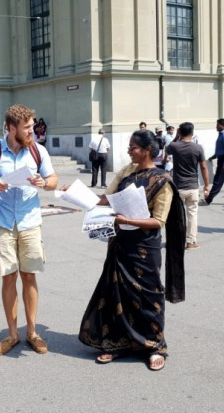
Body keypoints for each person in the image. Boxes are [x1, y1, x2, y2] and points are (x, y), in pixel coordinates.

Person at [74, 129, 186, 371]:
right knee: (116, 294)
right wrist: (74, 195)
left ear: (147, 151)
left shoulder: (162, 181)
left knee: (147, 296)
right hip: (120, 243)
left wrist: (128, 220)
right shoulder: (126, 171)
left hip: (144, 248)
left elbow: (159, 221)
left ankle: (154, 346)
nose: (129, 151)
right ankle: (117, 343)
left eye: (133, 147)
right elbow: (106, 199)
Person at [0, 104, 58, 356]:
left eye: (32, 126)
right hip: (4, 222)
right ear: (10, 127)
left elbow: (53, 180)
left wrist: (44, 182)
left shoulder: (38, 151)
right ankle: (12, 334)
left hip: (30, 221)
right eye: (27, 127)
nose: (32, 131)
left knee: (29, 276)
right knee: (8, 277)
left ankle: (32, 332)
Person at [167, 122, 210, 249]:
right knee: (192, 214)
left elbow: (166, 150)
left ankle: (176, 241)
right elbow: (203, 167)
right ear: (192, 133)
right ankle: (191, 241)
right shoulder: (198, 148)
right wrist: (206, 185)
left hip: (178, 187)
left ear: (180, 132)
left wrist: (176, 136)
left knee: (176, 215)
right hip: (192, 187)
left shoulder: (175, 146)